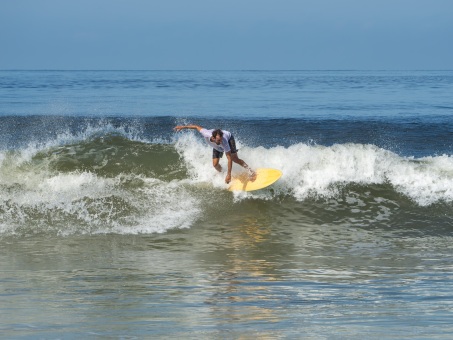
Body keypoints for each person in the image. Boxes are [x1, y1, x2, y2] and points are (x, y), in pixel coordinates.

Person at [174, 124, 255, 184]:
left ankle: (251, 171)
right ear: (213, 138)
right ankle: (223, 174)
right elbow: (196, 127)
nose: (221, 141)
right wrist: (183, 127)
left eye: (221, 140)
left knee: (234, 159)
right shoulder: (206, 133)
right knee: (215, 164)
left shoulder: (224, 141)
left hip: (230, 138)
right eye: (219, 140)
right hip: (216, 147)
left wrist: (229, 174)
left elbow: (229, 159)